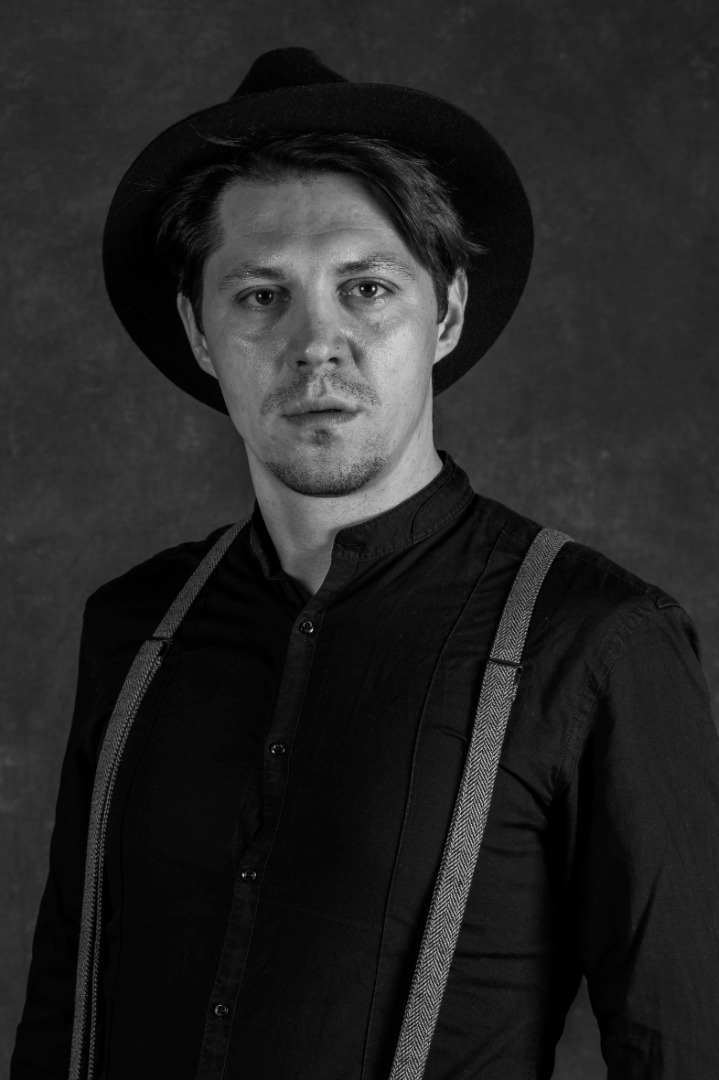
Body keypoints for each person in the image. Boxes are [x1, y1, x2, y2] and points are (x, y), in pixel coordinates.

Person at [11, 47, 719, 1080]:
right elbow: (59, 1022)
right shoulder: (135, 629)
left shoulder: (596, 643)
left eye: (367, 288)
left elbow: (684, 1046)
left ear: (445, 313)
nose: (317, 344)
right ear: (199, 333)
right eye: (260, 296)